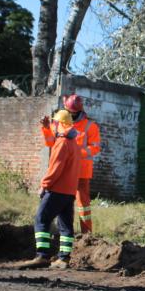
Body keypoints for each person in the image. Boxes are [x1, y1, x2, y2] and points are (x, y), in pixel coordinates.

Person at [20, 110, 81, 270]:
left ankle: (42, 256)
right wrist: (46, 128)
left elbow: (55, 168)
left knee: (41, 220)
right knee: (66, 226)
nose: (53, 125)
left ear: (60, 123)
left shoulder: (62, 143)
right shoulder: (72, 141)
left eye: (55, 123)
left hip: (57, 190)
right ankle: (63, 259)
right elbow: (50, 141)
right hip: (69, 192)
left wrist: (44, 185)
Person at [40, 94, 100, 233]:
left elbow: (95, 147)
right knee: (58, 200)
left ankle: (86, 234)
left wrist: (76, 153)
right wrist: (45, 128)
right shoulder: (58, 123)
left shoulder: (90, 126)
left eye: (73, 113)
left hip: (81, 172)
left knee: (83, 204)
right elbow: (50, 142)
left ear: (80, 111)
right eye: (69, 112)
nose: (71, 115)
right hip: (62, 170)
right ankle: (57, 229)